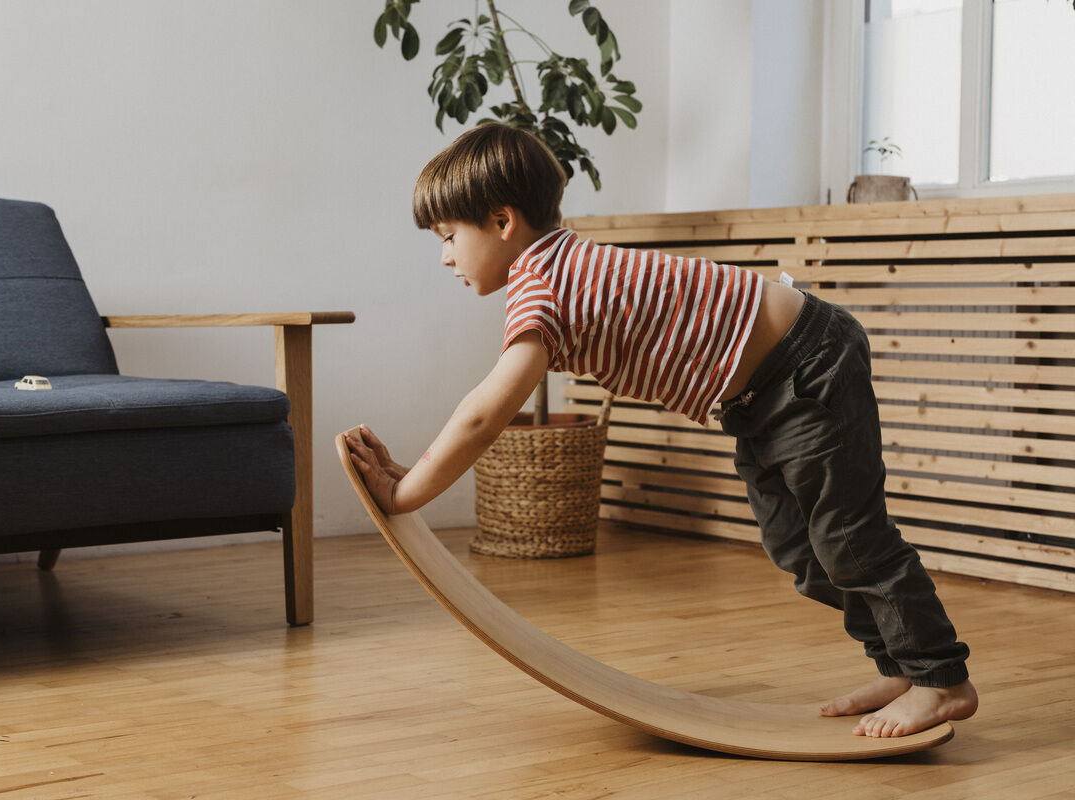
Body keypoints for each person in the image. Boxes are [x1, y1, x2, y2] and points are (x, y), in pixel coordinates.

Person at [345, 122, 978, 738]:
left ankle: (941, 677)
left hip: (808, 363)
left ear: (503, 222)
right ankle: (899, 665)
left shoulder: (543, 282)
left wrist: (409, 493)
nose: (445, 256)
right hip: (759, 396)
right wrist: (411, 471)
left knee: (848, 538)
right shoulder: (551, 269)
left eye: (449, 235)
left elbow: (485, 414)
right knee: (800, 551)